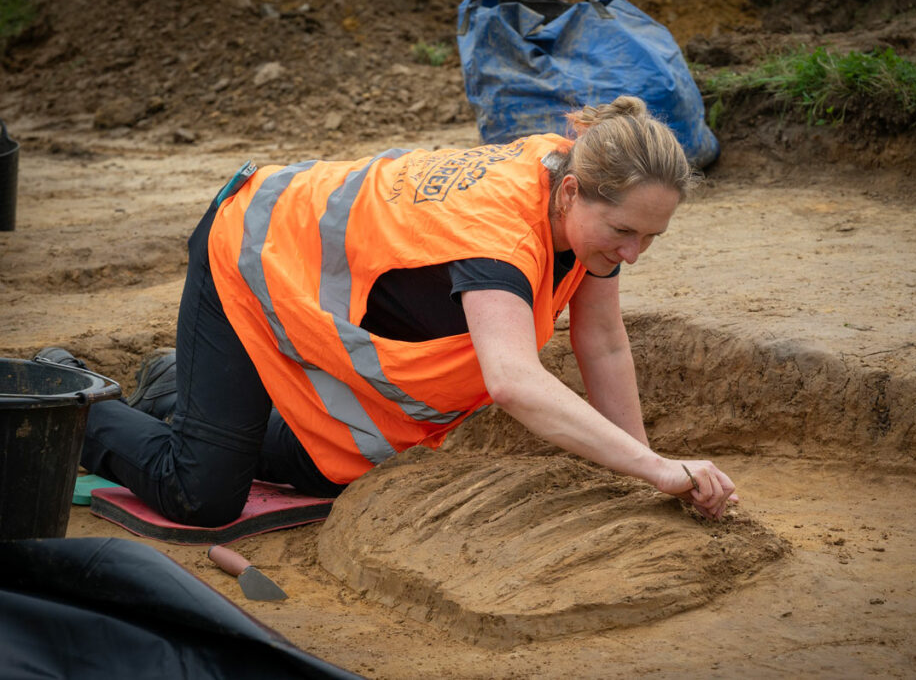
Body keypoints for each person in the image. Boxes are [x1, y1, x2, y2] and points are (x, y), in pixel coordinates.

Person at [42, 95, 737, 527]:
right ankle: (61, 398)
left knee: (331, 463)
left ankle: (177, 387)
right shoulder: (498, 236)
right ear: (573, 193)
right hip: (251, 249)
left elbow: (604, 342)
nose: (636, 252)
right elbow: (513, 380)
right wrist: (656, 471)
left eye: (652, 236)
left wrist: (653, 460)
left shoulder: (578, 199)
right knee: (201, 492)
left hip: (311, 290)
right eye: (624, 231)